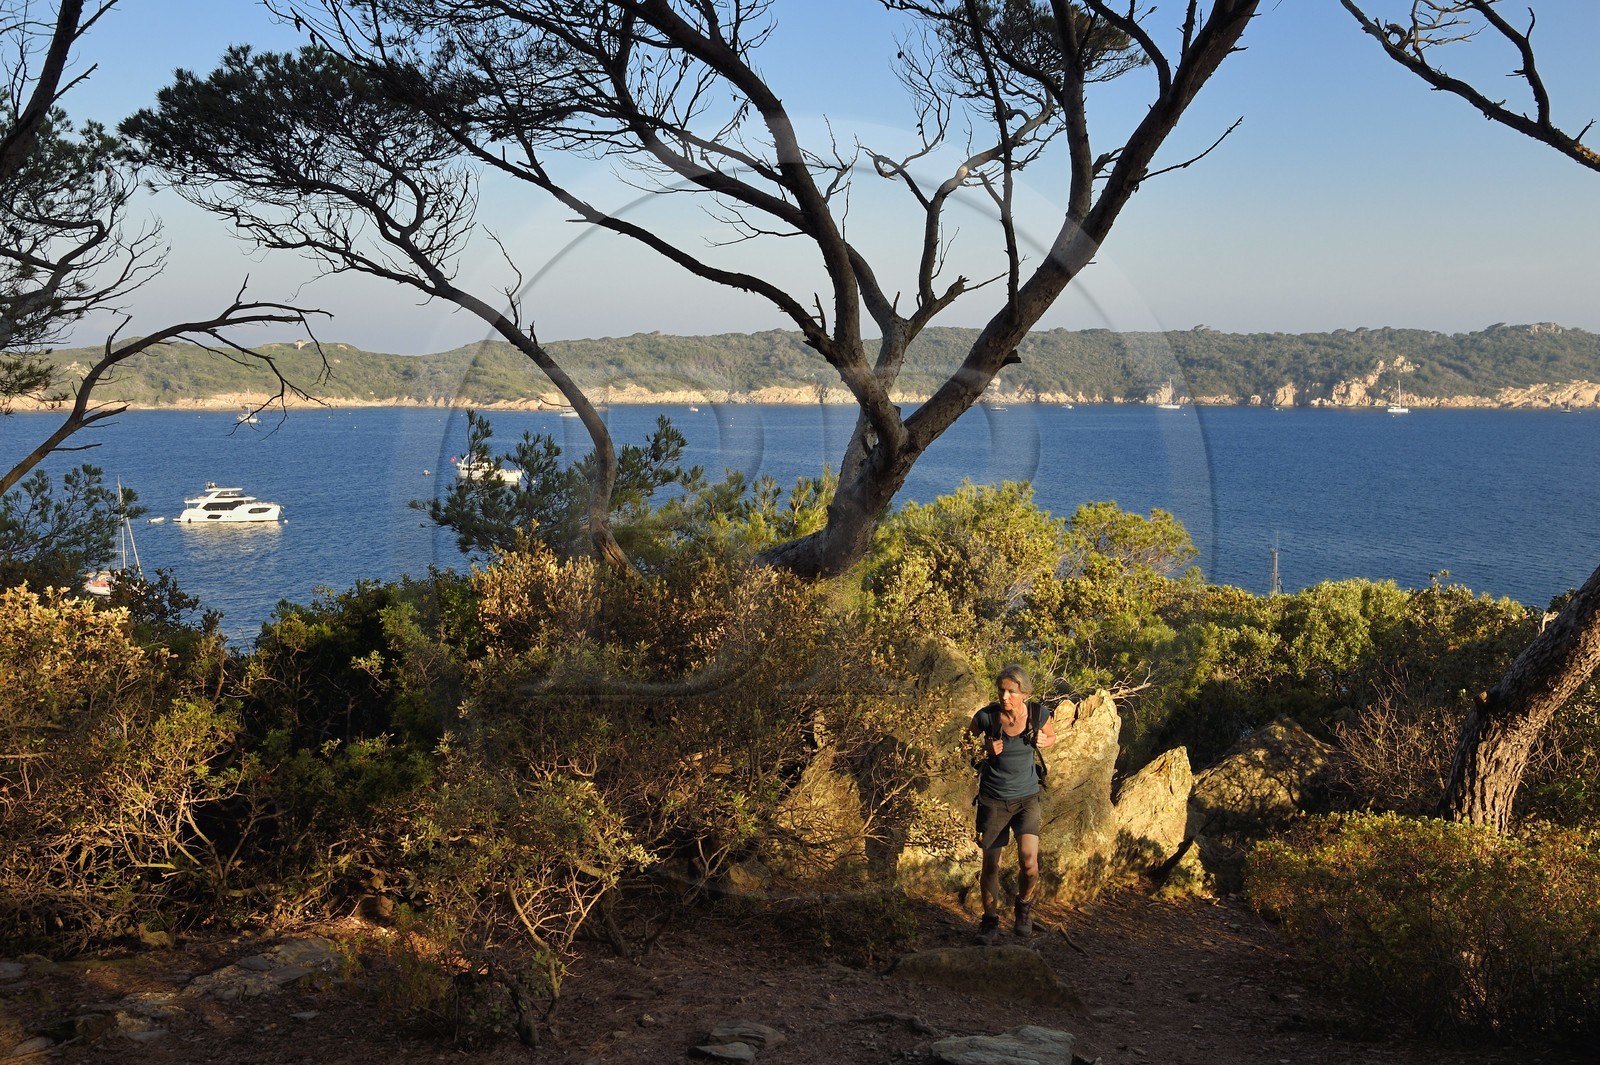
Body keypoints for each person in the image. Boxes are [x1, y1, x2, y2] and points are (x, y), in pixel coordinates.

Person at [968, 663, 1056, 938]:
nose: (1004, 697)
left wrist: (1046, 740)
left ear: (1025, 693)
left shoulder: (1039, 714)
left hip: (1027, 799)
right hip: (993, 800)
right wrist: (984, 748)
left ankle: (1024, 905)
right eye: (1001, 691)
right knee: (991, 865)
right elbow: (963, 746)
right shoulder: (986, 717)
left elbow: (1051, 736)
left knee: (1029, 864)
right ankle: (990, 920)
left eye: (1011, 692)